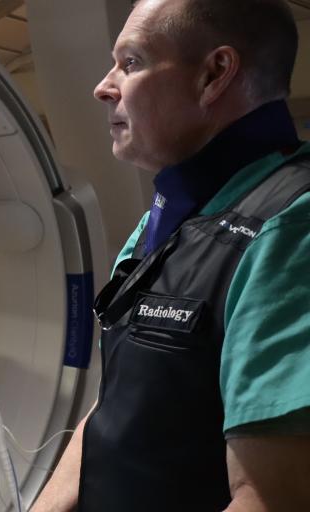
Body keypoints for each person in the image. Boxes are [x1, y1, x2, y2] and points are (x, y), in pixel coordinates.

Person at [33, 1, 310, 510]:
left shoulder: (289, 225)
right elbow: (116, 403)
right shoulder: (167, 218)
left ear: (214, 74)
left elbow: (271, 498)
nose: (103, 86)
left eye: (131, 62)